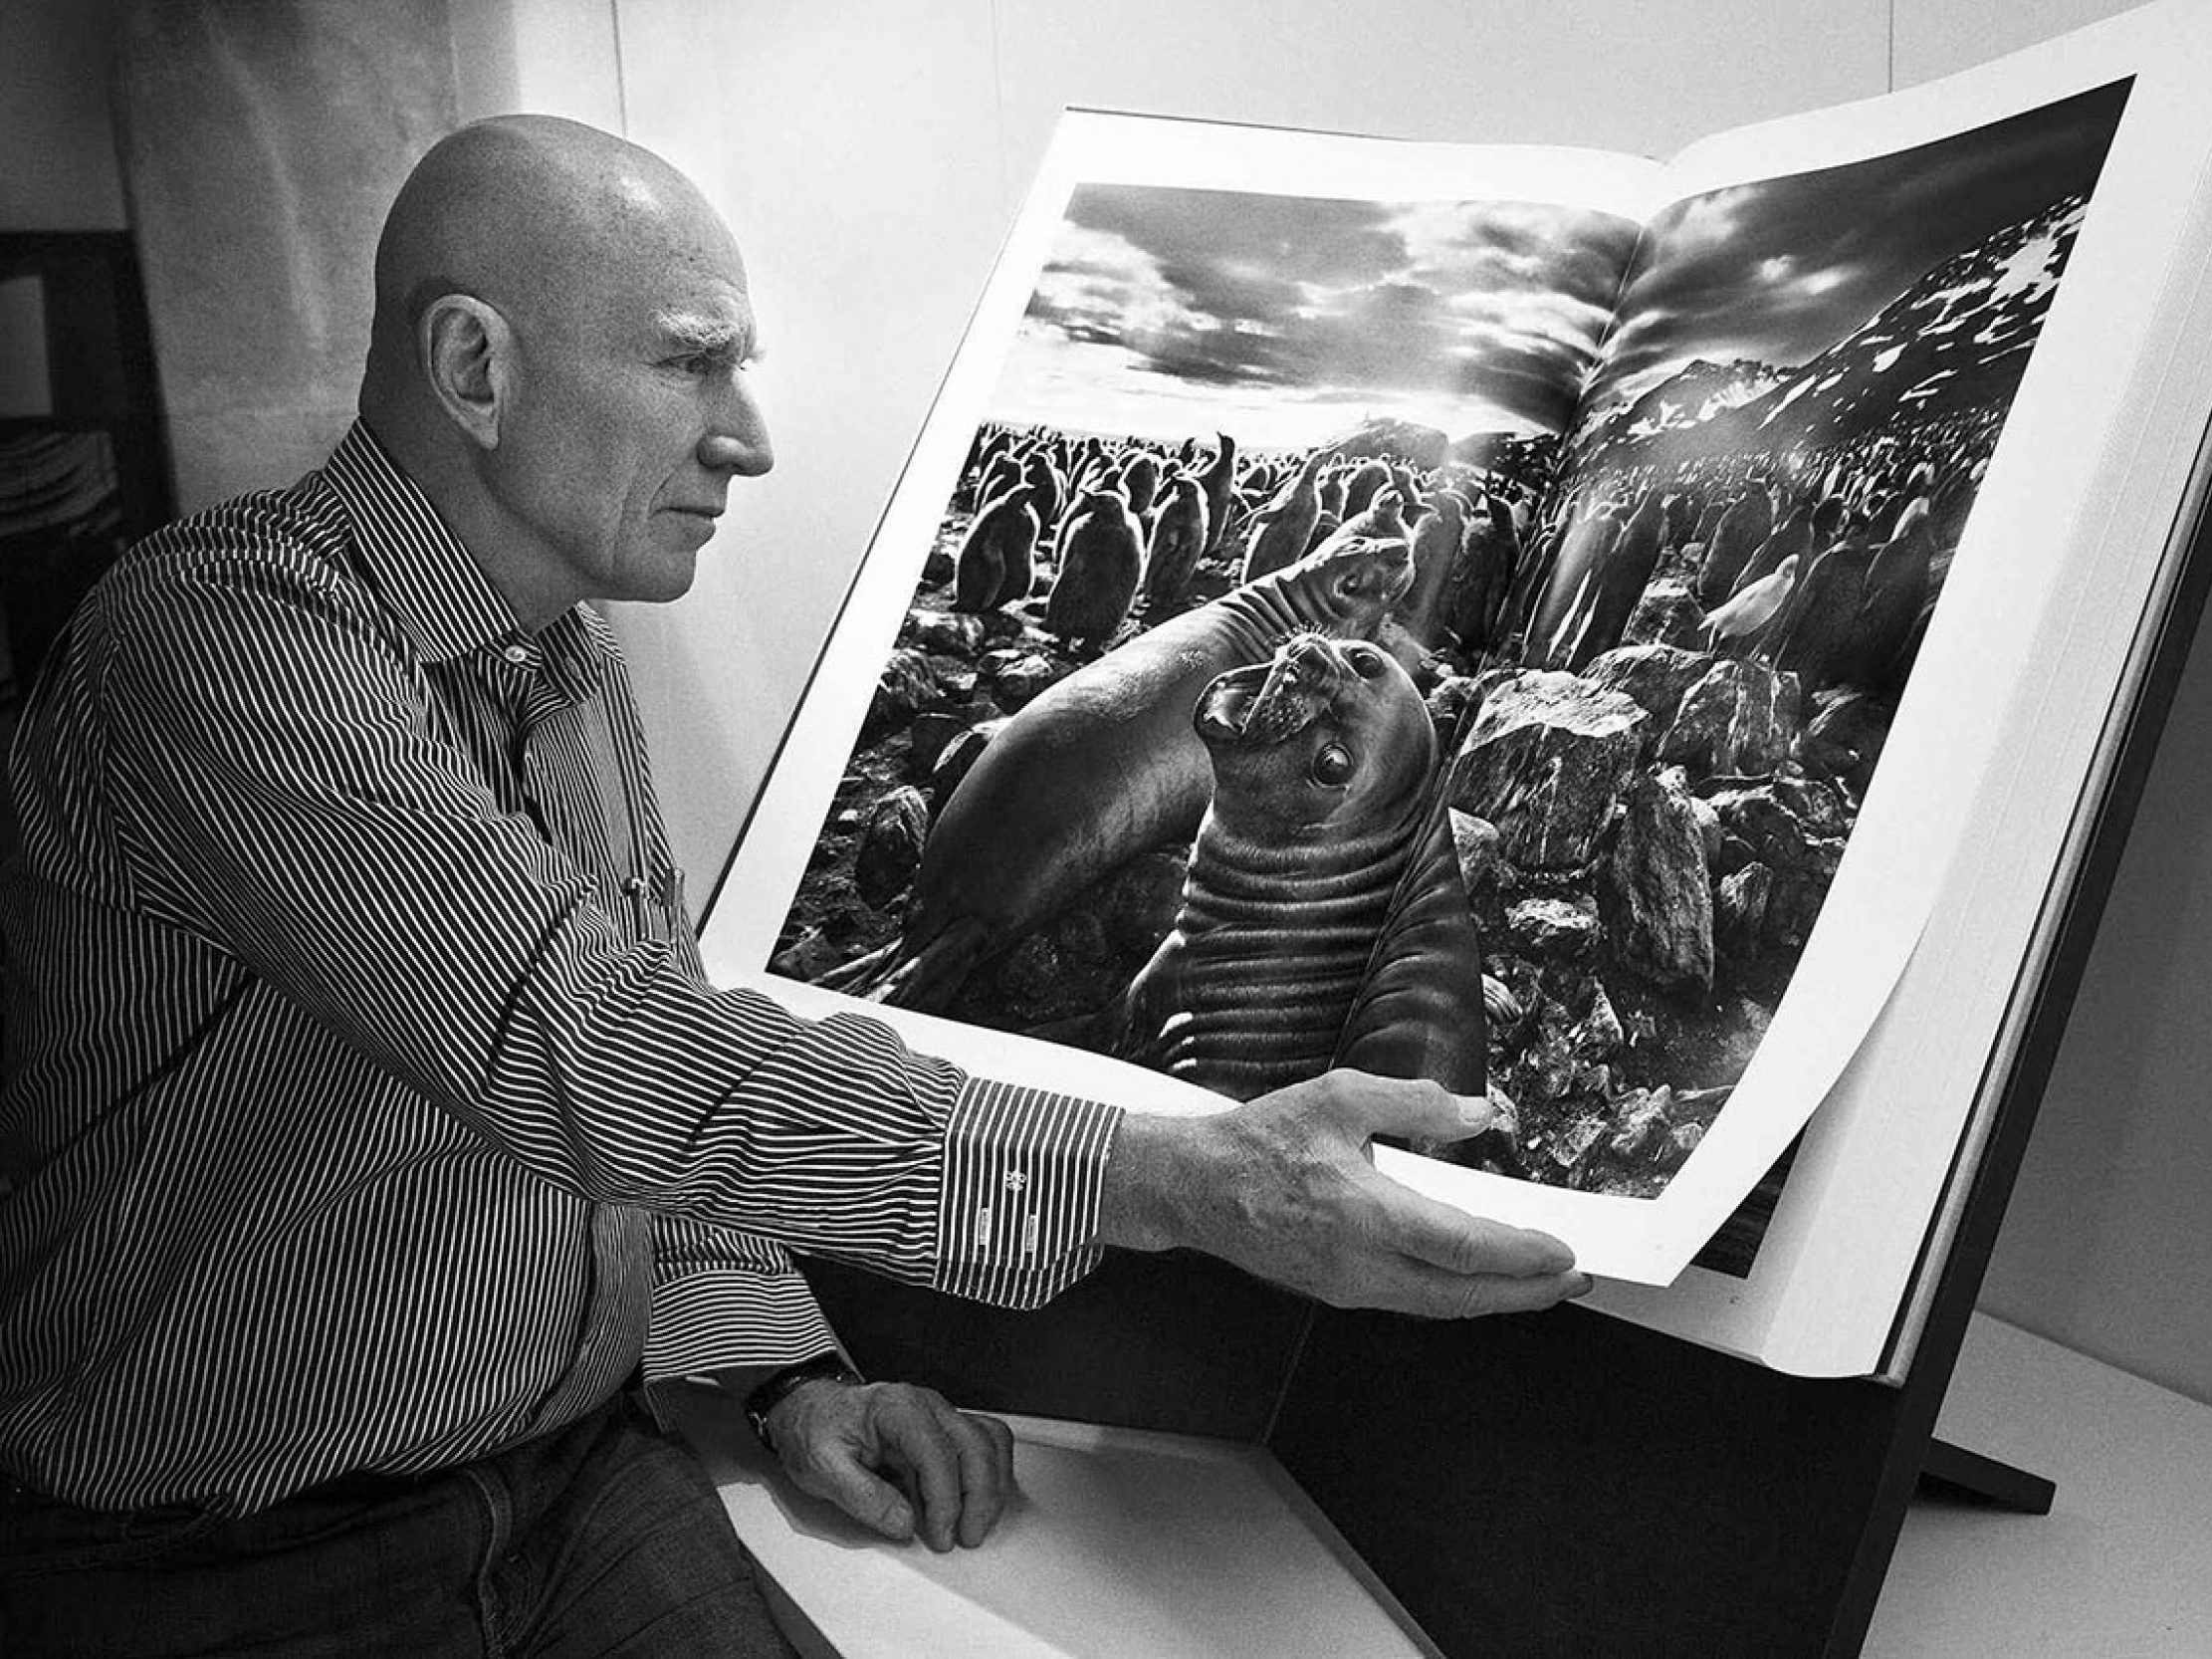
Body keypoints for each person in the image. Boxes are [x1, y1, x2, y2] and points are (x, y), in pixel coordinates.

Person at [0, 116, 1584, 1655]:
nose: (749, 436)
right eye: (691, 363)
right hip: (221, 1558)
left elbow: (655, 1060)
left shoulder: (561, 656)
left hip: (573, 1479)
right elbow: (603, 1057)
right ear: (475, 366)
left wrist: (787, 1375)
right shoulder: (219, 644)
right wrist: (1170, 1175)